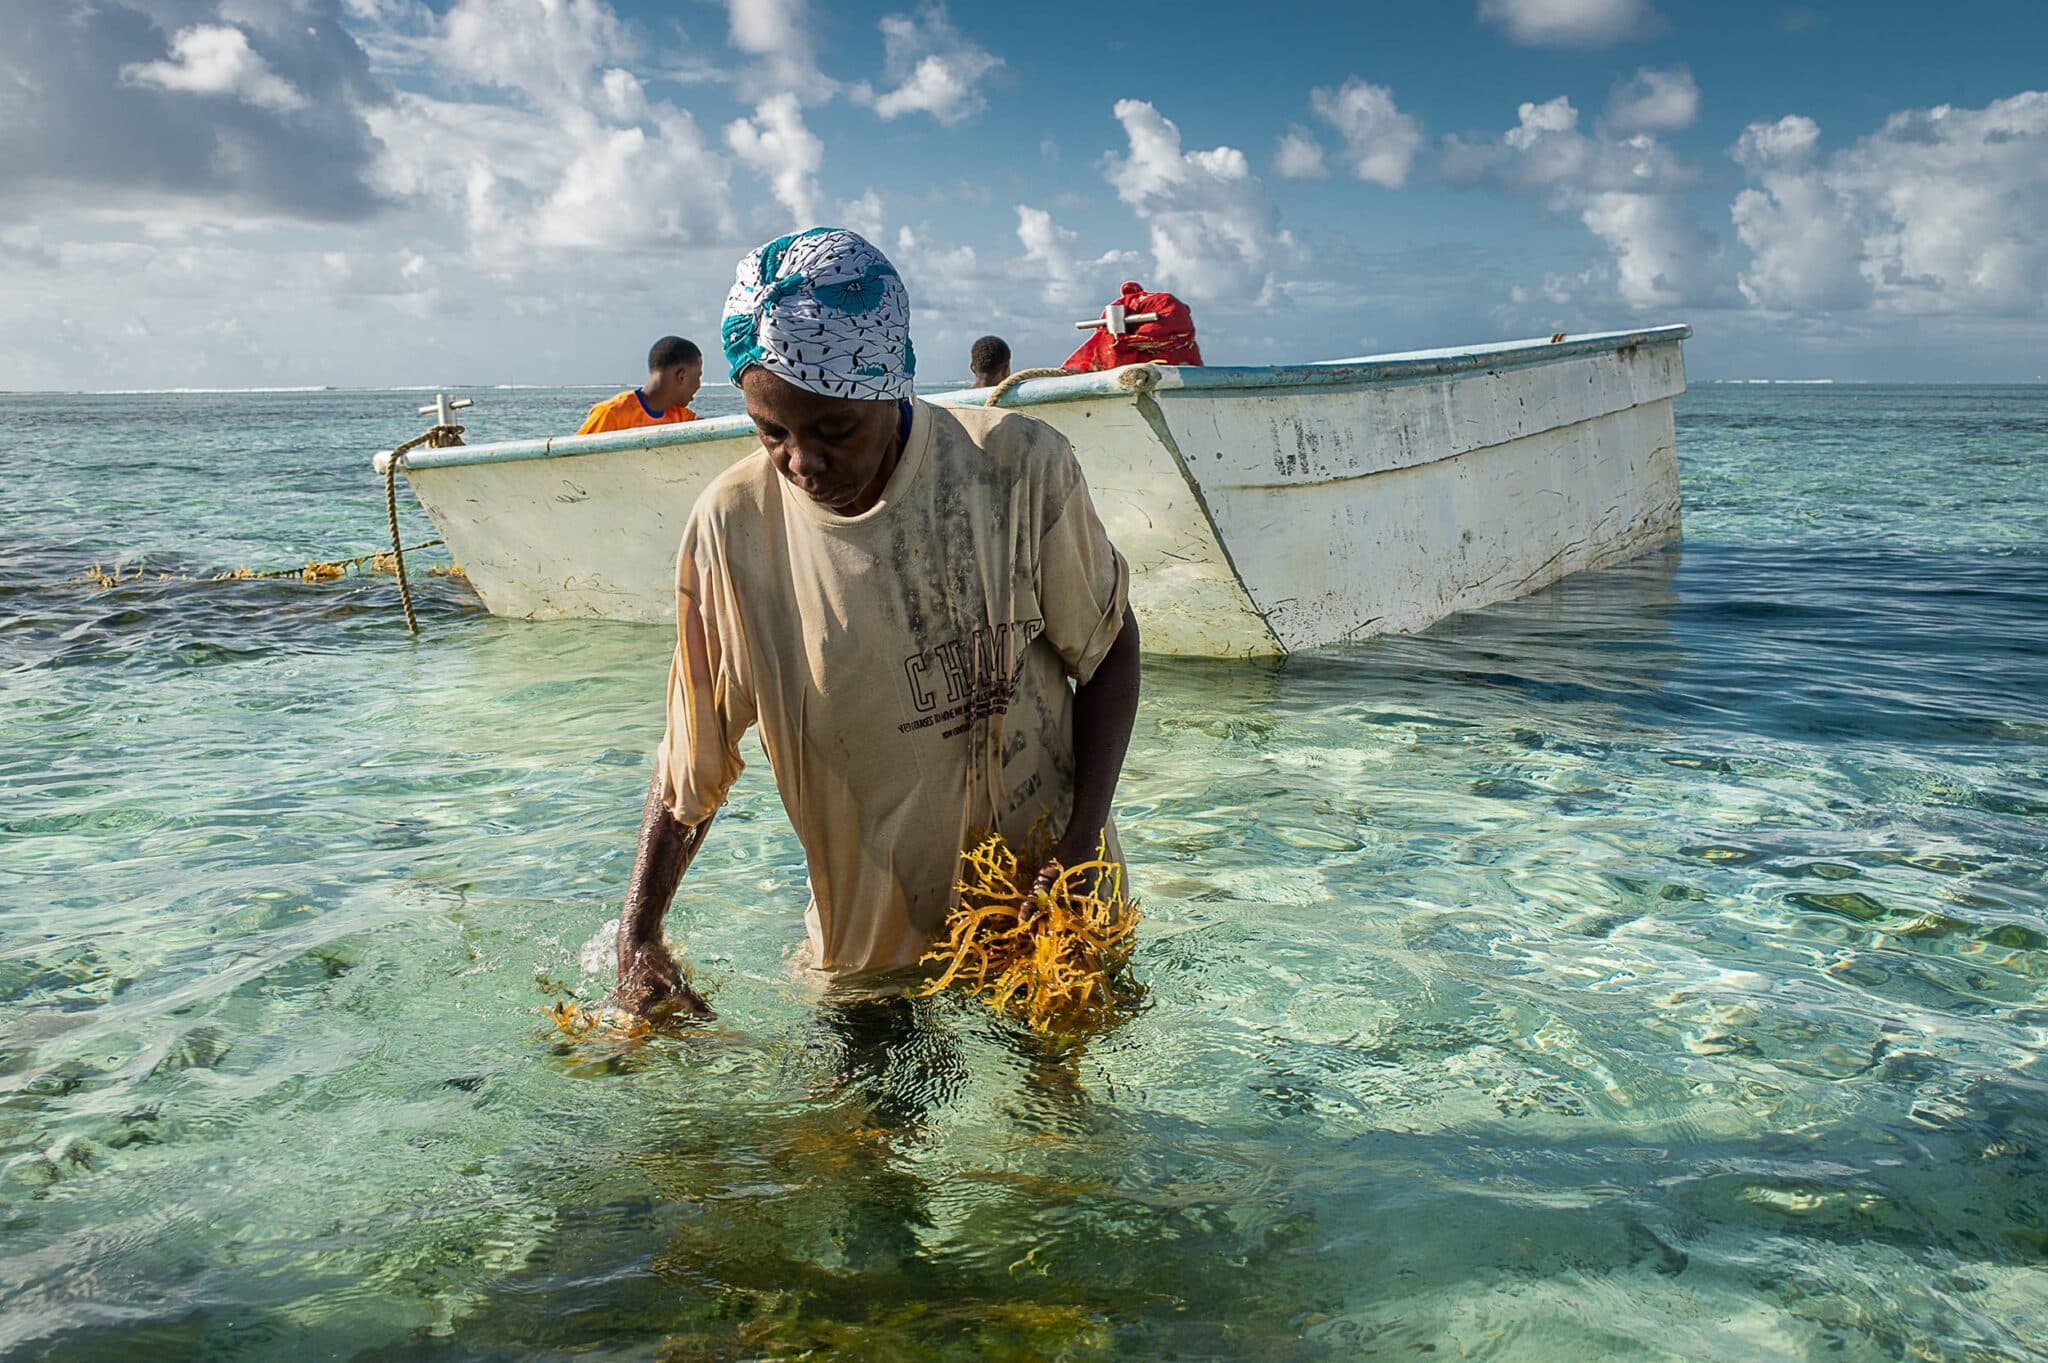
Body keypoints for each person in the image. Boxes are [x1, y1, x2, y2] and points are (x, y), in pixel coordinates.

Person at [610, 228, 1141, 1019]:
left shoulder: (1017, 470)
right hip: (873, 944)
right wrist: (639, 936)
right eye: (772, 431)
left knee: (1060, 1129)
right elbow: (692, 757)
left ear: (892, 388)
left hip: (1048, 904)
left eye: (833, 430)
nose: (802, 461)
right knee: (857, 1134)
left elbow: (1107, 645)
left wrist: (1083, 843)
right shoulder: (734, 527)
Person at [576, 336, 703, 434]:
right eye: (698, 377)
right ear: (681, 376)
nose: (699, 385)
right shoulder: (611, 414)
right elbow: (573, 461)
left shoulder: (682, 418)